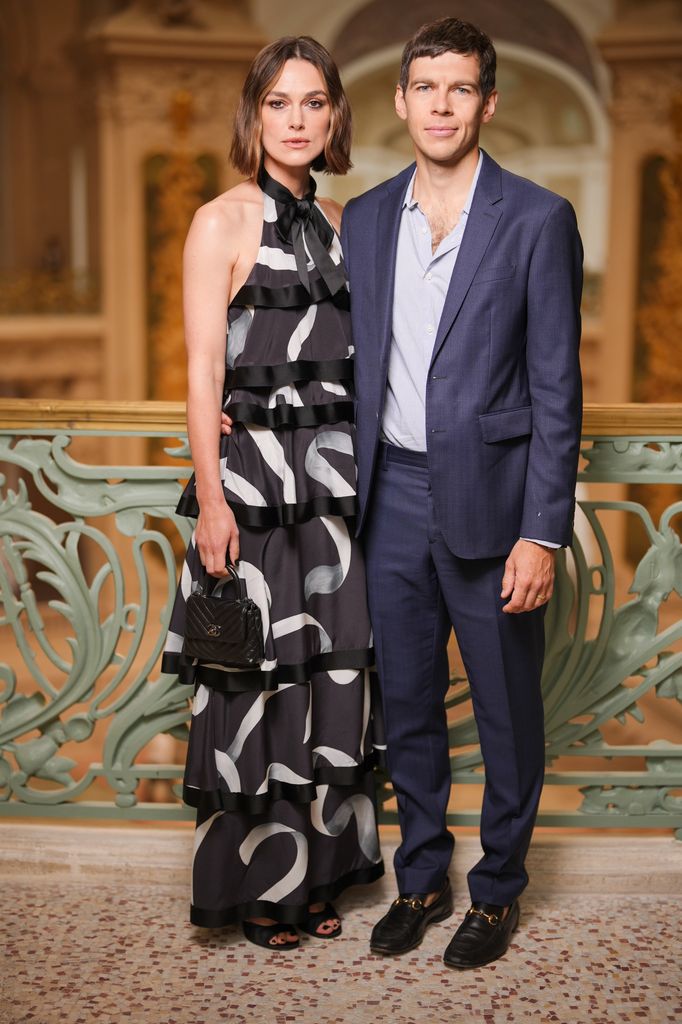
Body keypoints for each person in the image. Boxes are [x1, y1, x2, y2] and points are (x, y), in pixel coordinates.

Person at [340, 18, 583, 968]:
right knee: (405, 705)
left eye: (461, 89)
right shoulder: (363, 218)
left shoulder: (535, 218)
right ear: (400, 101)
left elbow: (558, 388)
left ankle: (496, 894)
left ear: (488, 102)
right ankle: (421, 880)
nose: (442, 106)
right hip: (388, 496)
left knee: (505, 709)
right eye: (425, 88)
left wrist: (543, 533)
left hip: (494, 500)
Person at [162, 36, 385, 952]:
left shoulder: (344, 221)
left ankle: (317, 871)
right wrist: (212, 500)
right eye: (280, 103)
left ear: (334, 116)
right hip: (253, 482)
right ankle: (257, 888)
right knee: (255, 680)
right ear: (254, 114)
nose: (298, 120)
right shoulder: (219, 221)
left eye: (315, 103)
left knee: (329, 677)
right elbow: (203, 368)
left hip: (335, 482)